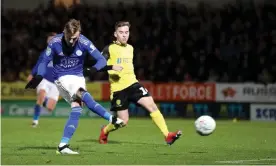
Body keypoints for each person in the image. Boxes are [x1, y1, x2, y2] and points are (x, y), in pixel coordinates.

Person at [25, 19, 124, 154]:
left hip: (78, 77)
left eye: (75, 38)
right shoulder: (55, 42)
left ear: (79, 34)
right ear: (64, 32)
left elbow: (101, 59)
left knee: (77, 108)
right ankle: (111, 118)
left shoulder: (83, 41)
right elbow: (44, 61)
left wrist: (93, 70)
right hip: (62, 77)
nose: (72, 41)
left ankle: (63, 145)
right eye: (69, 38)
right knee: (82, 93)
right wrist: (39, 75)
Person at [98, 21, 182, 145]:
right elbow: (98, 65)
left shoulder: (130, 48)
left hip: (133, 84)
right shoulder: (109, 48)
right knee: (123, 121)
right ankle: (105, 130)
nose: (124, 35)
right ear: (115, 34)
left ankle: (167, 135)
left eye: (126, 32)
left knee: (152, 105)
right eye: (121, 32)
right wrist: (111, 67)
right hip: (118, 90)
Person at [27, 32, 59, 127]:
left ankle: (44, 101)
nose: (50, 41)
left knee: (50, 108)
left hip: (56, 83)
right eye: (49, 39)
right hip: (44, 79)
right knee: (41, 93)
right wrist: (32, 74)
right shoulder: (45, 53)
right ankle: (35, 121)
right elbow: (39, 64)